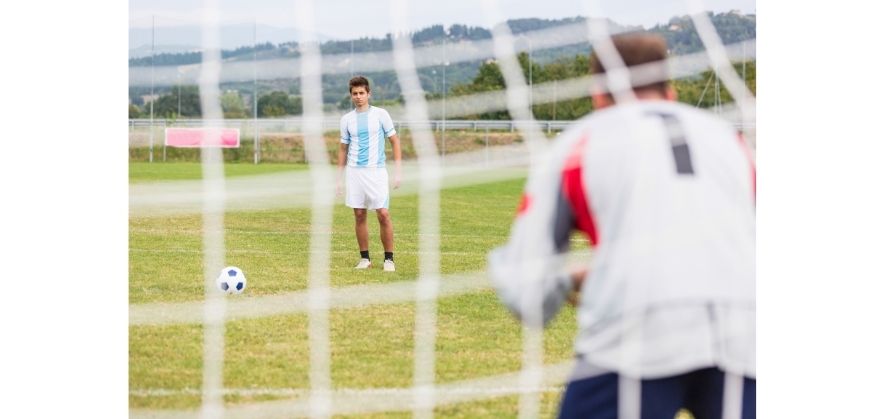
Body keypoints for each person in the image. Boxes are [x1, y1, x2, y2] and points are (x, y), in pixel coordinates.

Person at [488, 33, 756, 418]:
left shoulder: (579, 144)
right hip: (746, 330)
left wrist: (566, 278)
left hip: (637, 331)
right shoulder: (733, 141)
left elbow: (527, 290)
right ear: (671, 91)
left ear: (598, 94)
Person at [337, 76, 402, 272]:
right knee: (359, 214)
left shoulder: (381, 115)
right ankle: (365, 258)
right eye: (355, 94)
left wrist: (398, 172)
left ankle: (389, 259)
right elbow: (342, 149)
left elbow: (395, 142)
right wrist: (338, 179)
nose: (358, 97)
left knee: (383, 213)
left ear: (368, 94)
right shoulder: (346, 120)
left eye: (361, 93)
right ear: (351, 96)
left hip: (376, 172)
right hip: (354, 172)